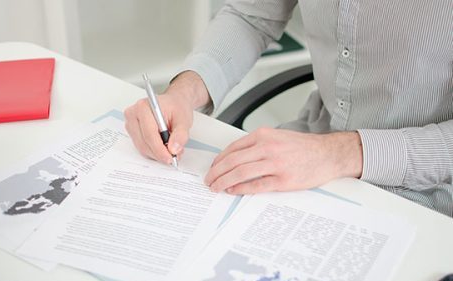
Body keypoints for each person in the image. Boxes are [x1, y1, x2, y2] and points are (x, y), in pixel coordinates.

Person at [124, 0, 453, 216]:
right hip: (312, 144)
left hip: (425, 195)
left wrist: (339, 153)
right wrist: (184, 92)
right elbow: (251, 16)